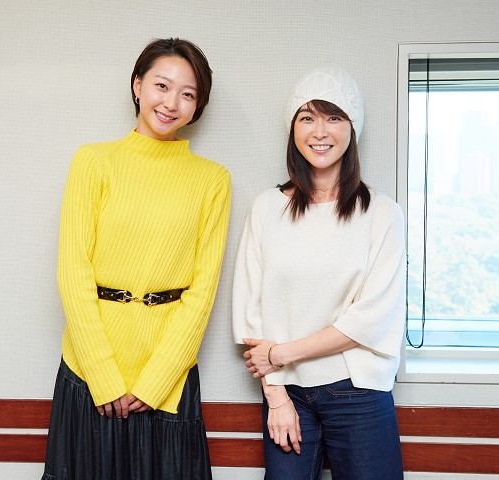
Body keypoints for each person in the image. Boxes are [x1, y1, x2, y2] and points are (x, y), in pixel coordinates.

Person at [42, 37, 231, 480]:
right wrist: (102, 374)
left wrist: (155, 382)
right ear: (137, 85)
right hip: (88, 370)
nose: (171, 103)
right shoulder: (93, 161)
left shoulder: (213, 180)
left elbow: (202, 292)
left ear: (198, 105)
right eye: (162, 86)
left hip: (168, 379)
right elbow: (73, 273)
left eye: (188, 94)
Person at [232, 67, 405, 479]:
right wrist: (276, 396)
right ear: (293, 129)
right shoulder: (266, 208)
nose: (320, 131)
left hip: (358, 390)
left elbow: (371, 319)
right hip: (285, 391)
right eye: (307, 117)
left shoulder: (382, 213)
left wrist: (282, 354)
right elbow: (250, 312)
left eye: (334, 117)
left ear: (352, 128)